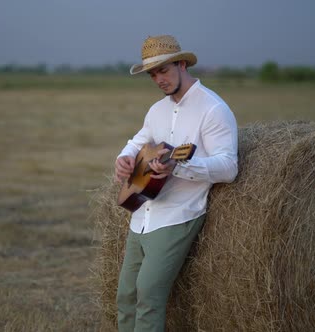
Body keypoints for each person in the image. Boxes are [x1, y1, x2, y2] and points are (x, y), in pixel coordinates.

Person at [114, 35, 239, 331]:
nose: (158, 79)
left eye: (164, 70)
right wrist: (125, 157)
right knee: (125, 297)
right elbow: (138, 141)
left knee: (147, 296)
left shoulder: (213, 110)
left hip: (178, 215)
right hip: (142, 214)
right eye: (152, 74)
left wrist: (179, 168)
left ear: (182, 64)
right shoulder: (157, 110)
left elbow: (228, 167)